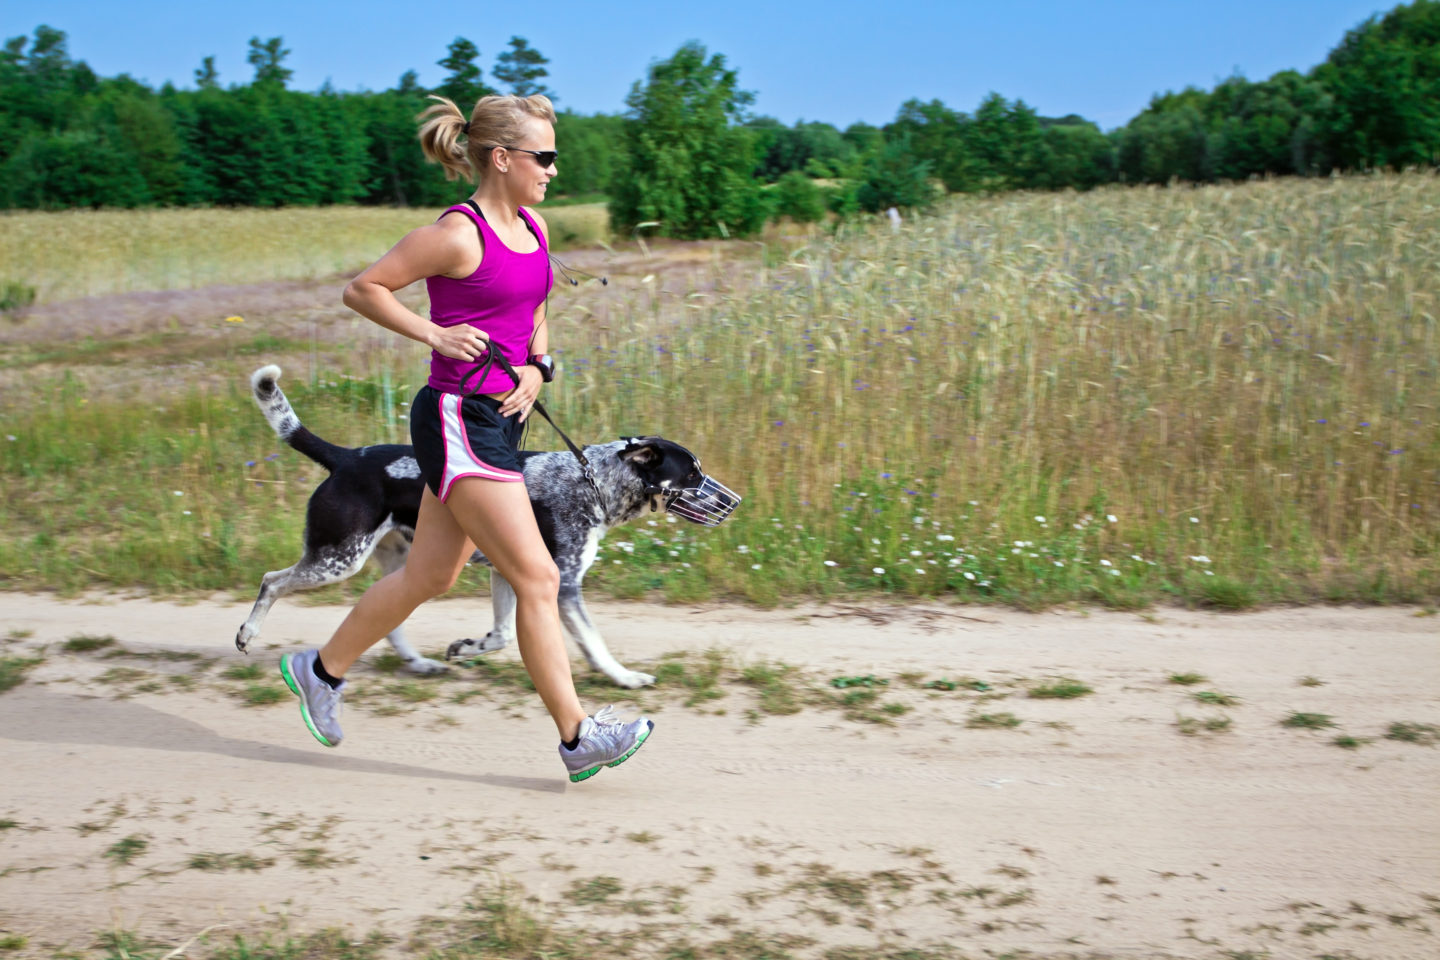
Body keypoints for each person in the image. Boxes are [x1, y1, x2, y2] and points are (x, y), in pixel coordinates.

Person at [277, 93, 652, 783]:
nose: (553, 170)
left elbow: (537, 303)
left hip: (502, 420)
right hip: (456, 418)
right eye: (544, 157)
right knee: (538, 575)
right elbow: (364, 290)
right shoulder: (459, 234)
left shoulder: (534, 229)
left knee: (432, 574)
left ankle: (320, 669)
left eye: (555, 157)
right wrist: (433, 332)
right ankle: (578, 737)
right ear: (502, 158)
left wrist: (538, 367)